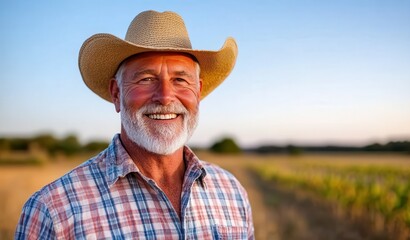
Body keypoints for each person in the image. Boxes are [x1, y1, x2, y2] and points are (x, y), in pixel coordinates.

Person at [15, 10, 254, 239]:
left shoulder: (231, 192)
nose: (165, 97)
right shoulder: (53, 211)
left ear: (198, 92)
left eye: (180, 79)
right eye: (146, 79)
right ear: (116, 93)